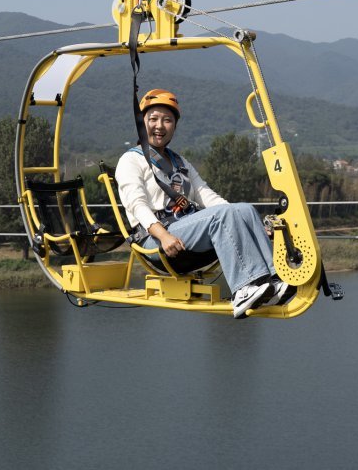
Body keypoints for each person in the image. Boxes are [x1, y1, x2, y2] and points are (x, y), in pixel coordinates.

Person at [116, 88, 294, 318]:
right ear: (142, 123)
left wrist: (249, 223)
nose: (160, 126)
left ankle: (273, 279)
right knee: (224, 216)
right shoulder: (131, 160)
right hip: (156, 241)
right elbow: (137, 205)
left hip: (186, 230)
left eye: (167, 120)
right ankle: (243, 289)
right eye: (153, 119)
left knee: (243, 209)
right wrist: (163, 235)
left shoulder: (179, 162)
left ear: (174, 126)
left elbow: (207, 196)